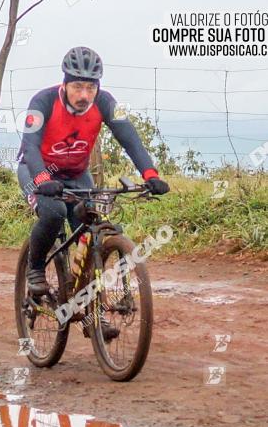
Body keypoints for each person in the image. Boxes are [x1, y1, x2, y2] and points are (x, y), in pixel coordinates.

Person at [17, 45, 170, 299]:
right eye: (78, 87)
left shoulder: (106, 102)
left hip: (77, 174)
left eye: (90, 88)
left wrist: (150, 175)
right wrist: (43, 179)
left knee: (90, 225)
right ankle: (35, 268)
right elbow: (30, 147)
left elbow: (129, 137)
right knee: (54, 213)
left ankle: (94, 308)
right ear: (64, 84)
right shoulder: (42, 102)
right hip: (37, 171)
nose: (84, 95)